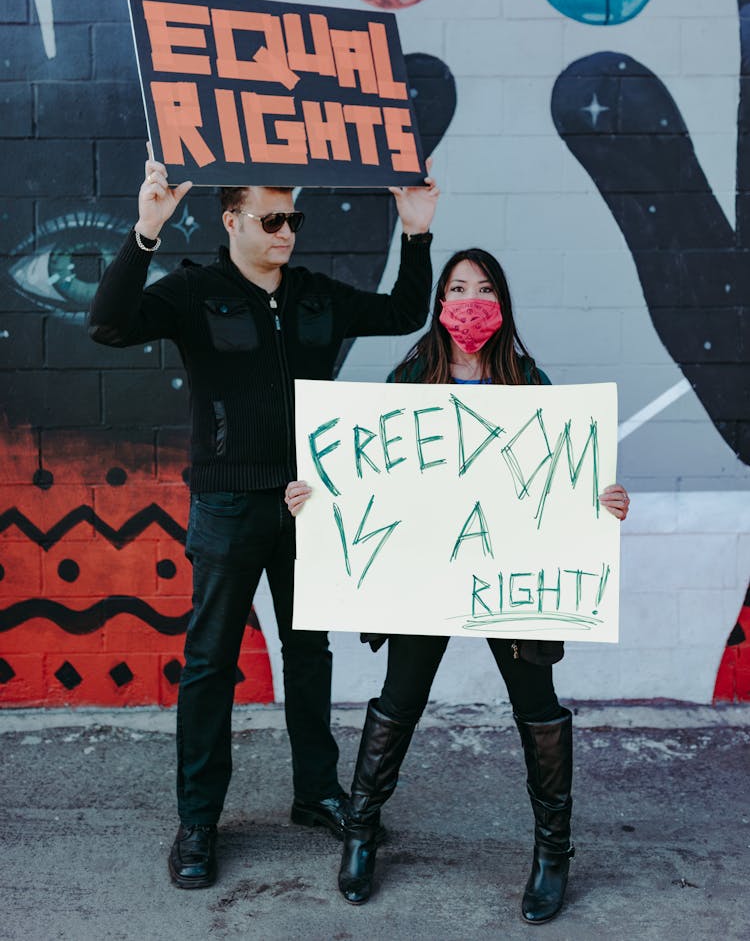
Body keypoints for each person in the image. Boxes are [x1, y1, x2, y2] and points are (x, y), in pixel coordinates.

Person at [88, 144, 439, 889]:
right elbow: (109, 324)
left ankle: (315, 792)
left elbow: (407, 311)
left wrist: (417, 230)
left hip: (306, 506)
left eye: (294, 217)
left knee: (309, 656)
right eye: (271, 218)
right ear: (232, 219)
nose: (286, 231)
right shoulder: (194, 292)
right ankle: (198, 821)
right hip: (226, 504)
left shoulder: (313, 293)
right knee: (212, 663)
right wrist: (145, 230)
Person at [285, 247, 629, 924]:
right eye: (457, 287)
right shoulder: (409, 378)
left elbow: (568, 475)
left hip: (511, 572)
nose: (469, 300)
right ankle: (361, 833)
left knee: (537, 703)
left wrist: (604, 499)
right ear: (440, 304)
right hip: (427, 571)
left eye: (483, 288)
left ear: (502, 304)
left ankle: (553, 852)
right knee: (400, 696)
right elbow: (361, 467)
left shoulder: (531, 384)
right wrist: (315, 496)